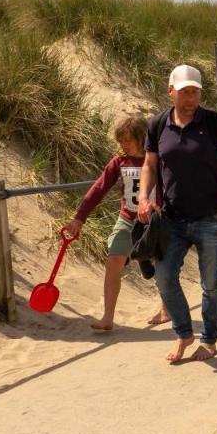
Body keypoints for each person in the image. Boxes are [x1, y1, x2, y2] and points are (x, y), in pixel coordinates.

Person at [138, 64, 217, 364]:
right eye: (184, 91)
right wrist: (143, 197)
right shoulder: (158, 124)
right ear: (170, 90)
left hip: (211, 217)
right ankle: (184, 332)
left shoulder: (215, 123)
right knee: (163, 277)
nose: (190, 98)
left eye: (195, 92)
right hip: (172, 217)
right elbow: (149, 165)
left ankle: (209, 339)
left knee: (211, 282)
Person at [65, 114, 169, 332]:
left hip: (155, 222)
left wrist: (163, 210)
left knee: (162, 265)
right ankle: (107, 317)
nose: (123, 145)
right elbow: (99, 188)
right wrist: (79, 217)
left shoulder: (157, 159)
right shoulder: (119, 160)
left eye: (127, 140)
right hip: (127, 219)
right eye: (120, 140)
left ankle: (165, 309)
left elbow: (171, 187)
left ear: (142, 138)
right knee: (113, 260)